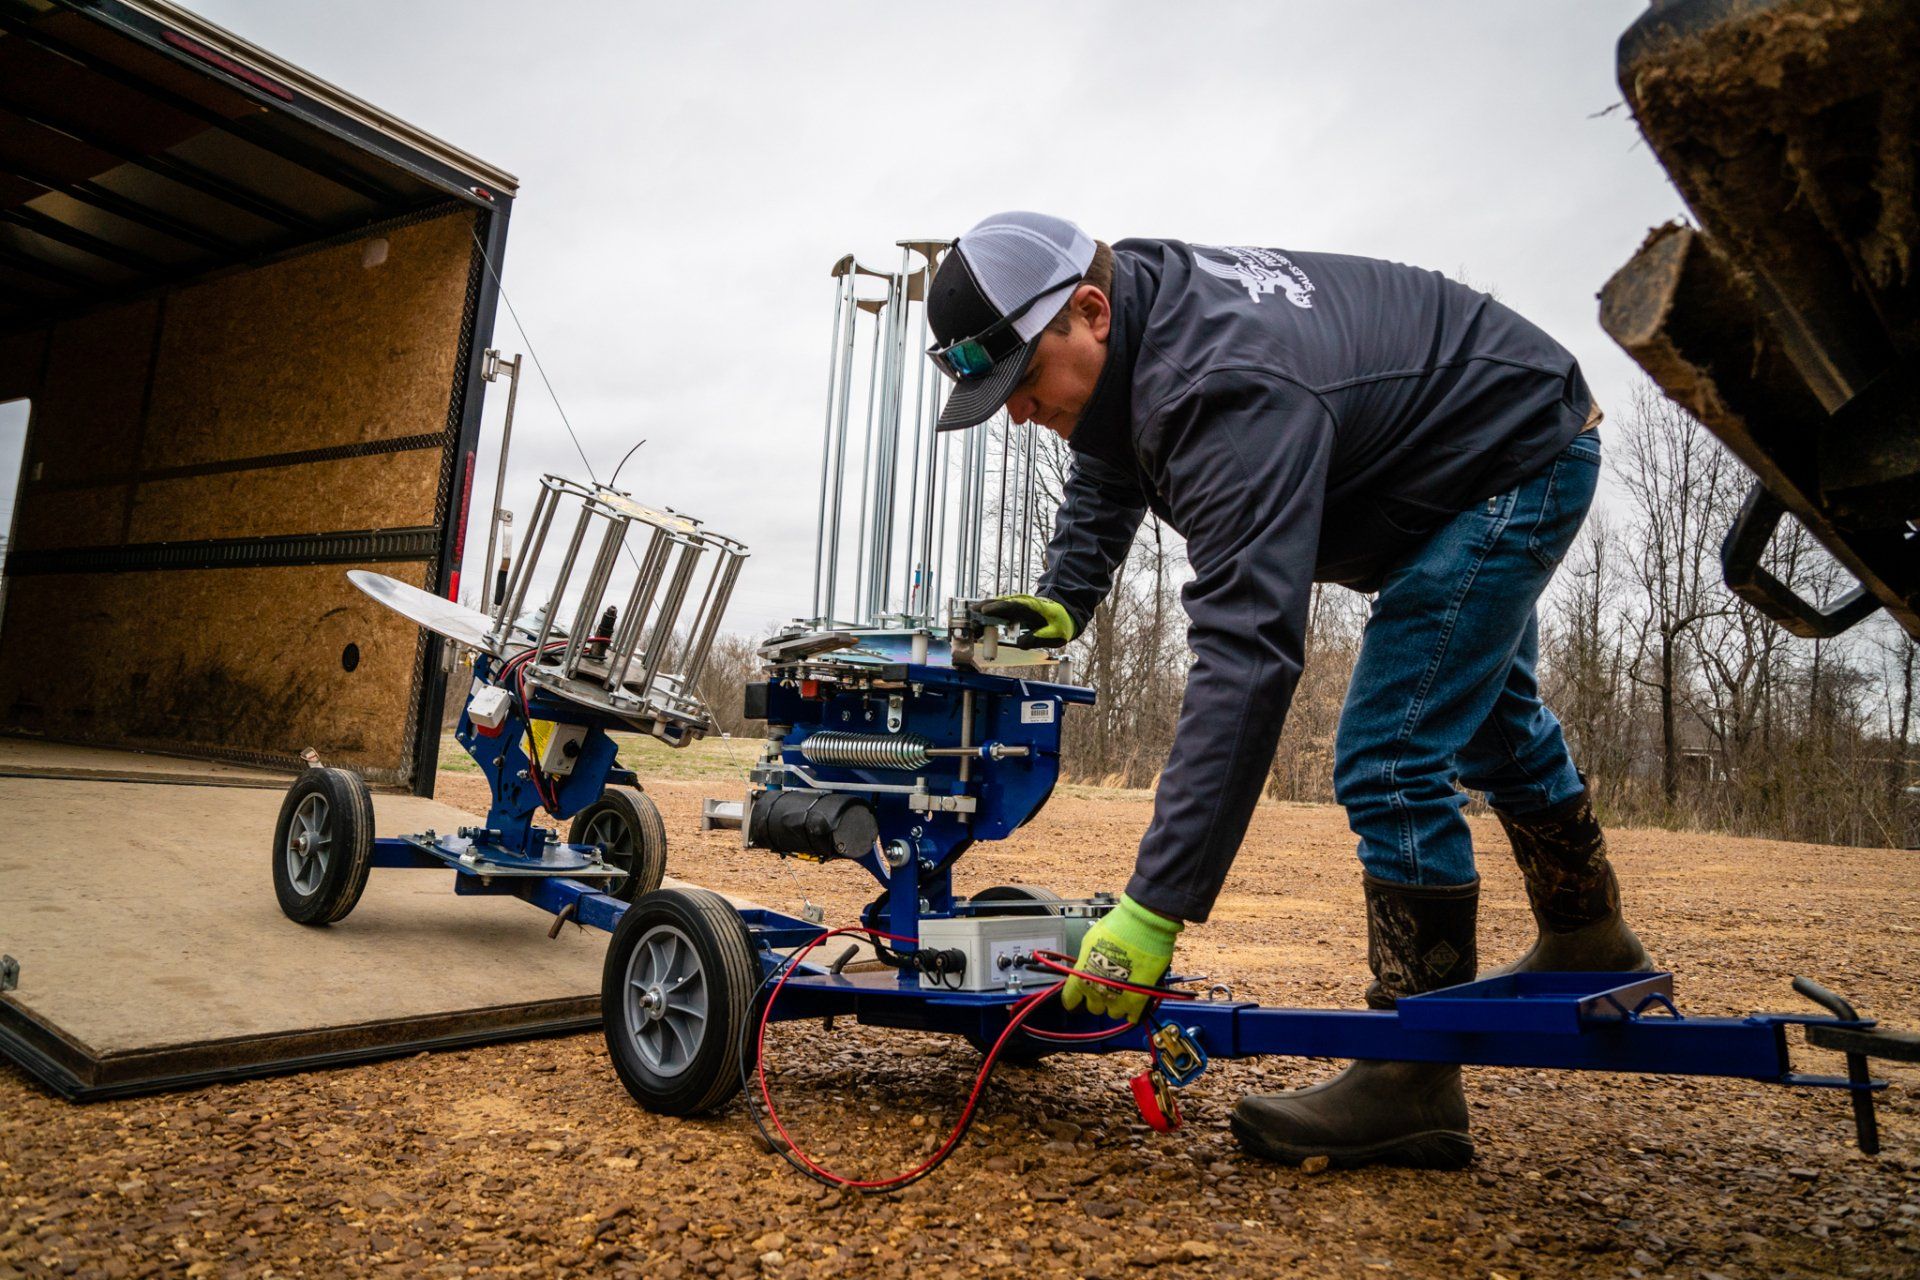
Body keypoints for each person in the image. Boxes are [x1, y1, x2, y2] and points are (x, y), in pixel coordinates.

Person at [922, 211, 1651, 1170]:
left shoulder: (1223, 388)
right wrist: (1062, 601)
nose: (1017, 411)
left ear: (1088, 311)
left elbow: (1249, 651)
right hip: (1470, 445)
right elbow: (1109, 456)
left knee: (1392, 749)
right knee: (1490, 721)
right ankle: (1590, 936)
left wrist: (1155, 905)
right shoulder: (1135, 326)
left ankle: (1414, 1076)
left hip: (1508, 458)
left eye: (1020, 382)